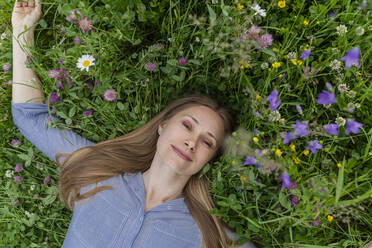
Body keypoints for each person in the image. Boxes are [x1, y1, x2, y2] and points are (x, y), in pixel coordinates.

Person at [11, 1, 257, 247]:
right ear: (162, 126)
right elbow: (30, 117)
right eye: (187, 125)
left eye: (207, 142)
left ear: (209, 160)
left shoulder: (210, 234)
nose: (192, 142)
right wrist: (22, 31)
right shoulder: (97, 173)